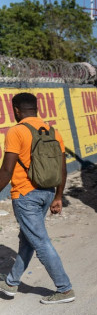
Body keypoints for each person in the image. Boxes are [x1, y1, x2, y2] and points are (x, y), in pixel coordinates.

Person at [0, 93, 75, 304]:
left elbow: (6, 170)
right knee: (28, 239)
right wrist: (58, 196)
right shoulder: (52, 131)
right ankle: (12, 282)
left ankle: (65, 289)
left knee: (40, 242)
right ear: (36, 108)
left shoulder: (16, 131)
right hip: (47, 192)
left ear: (15, 110)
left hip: (25, 195)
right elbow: (62, 168)